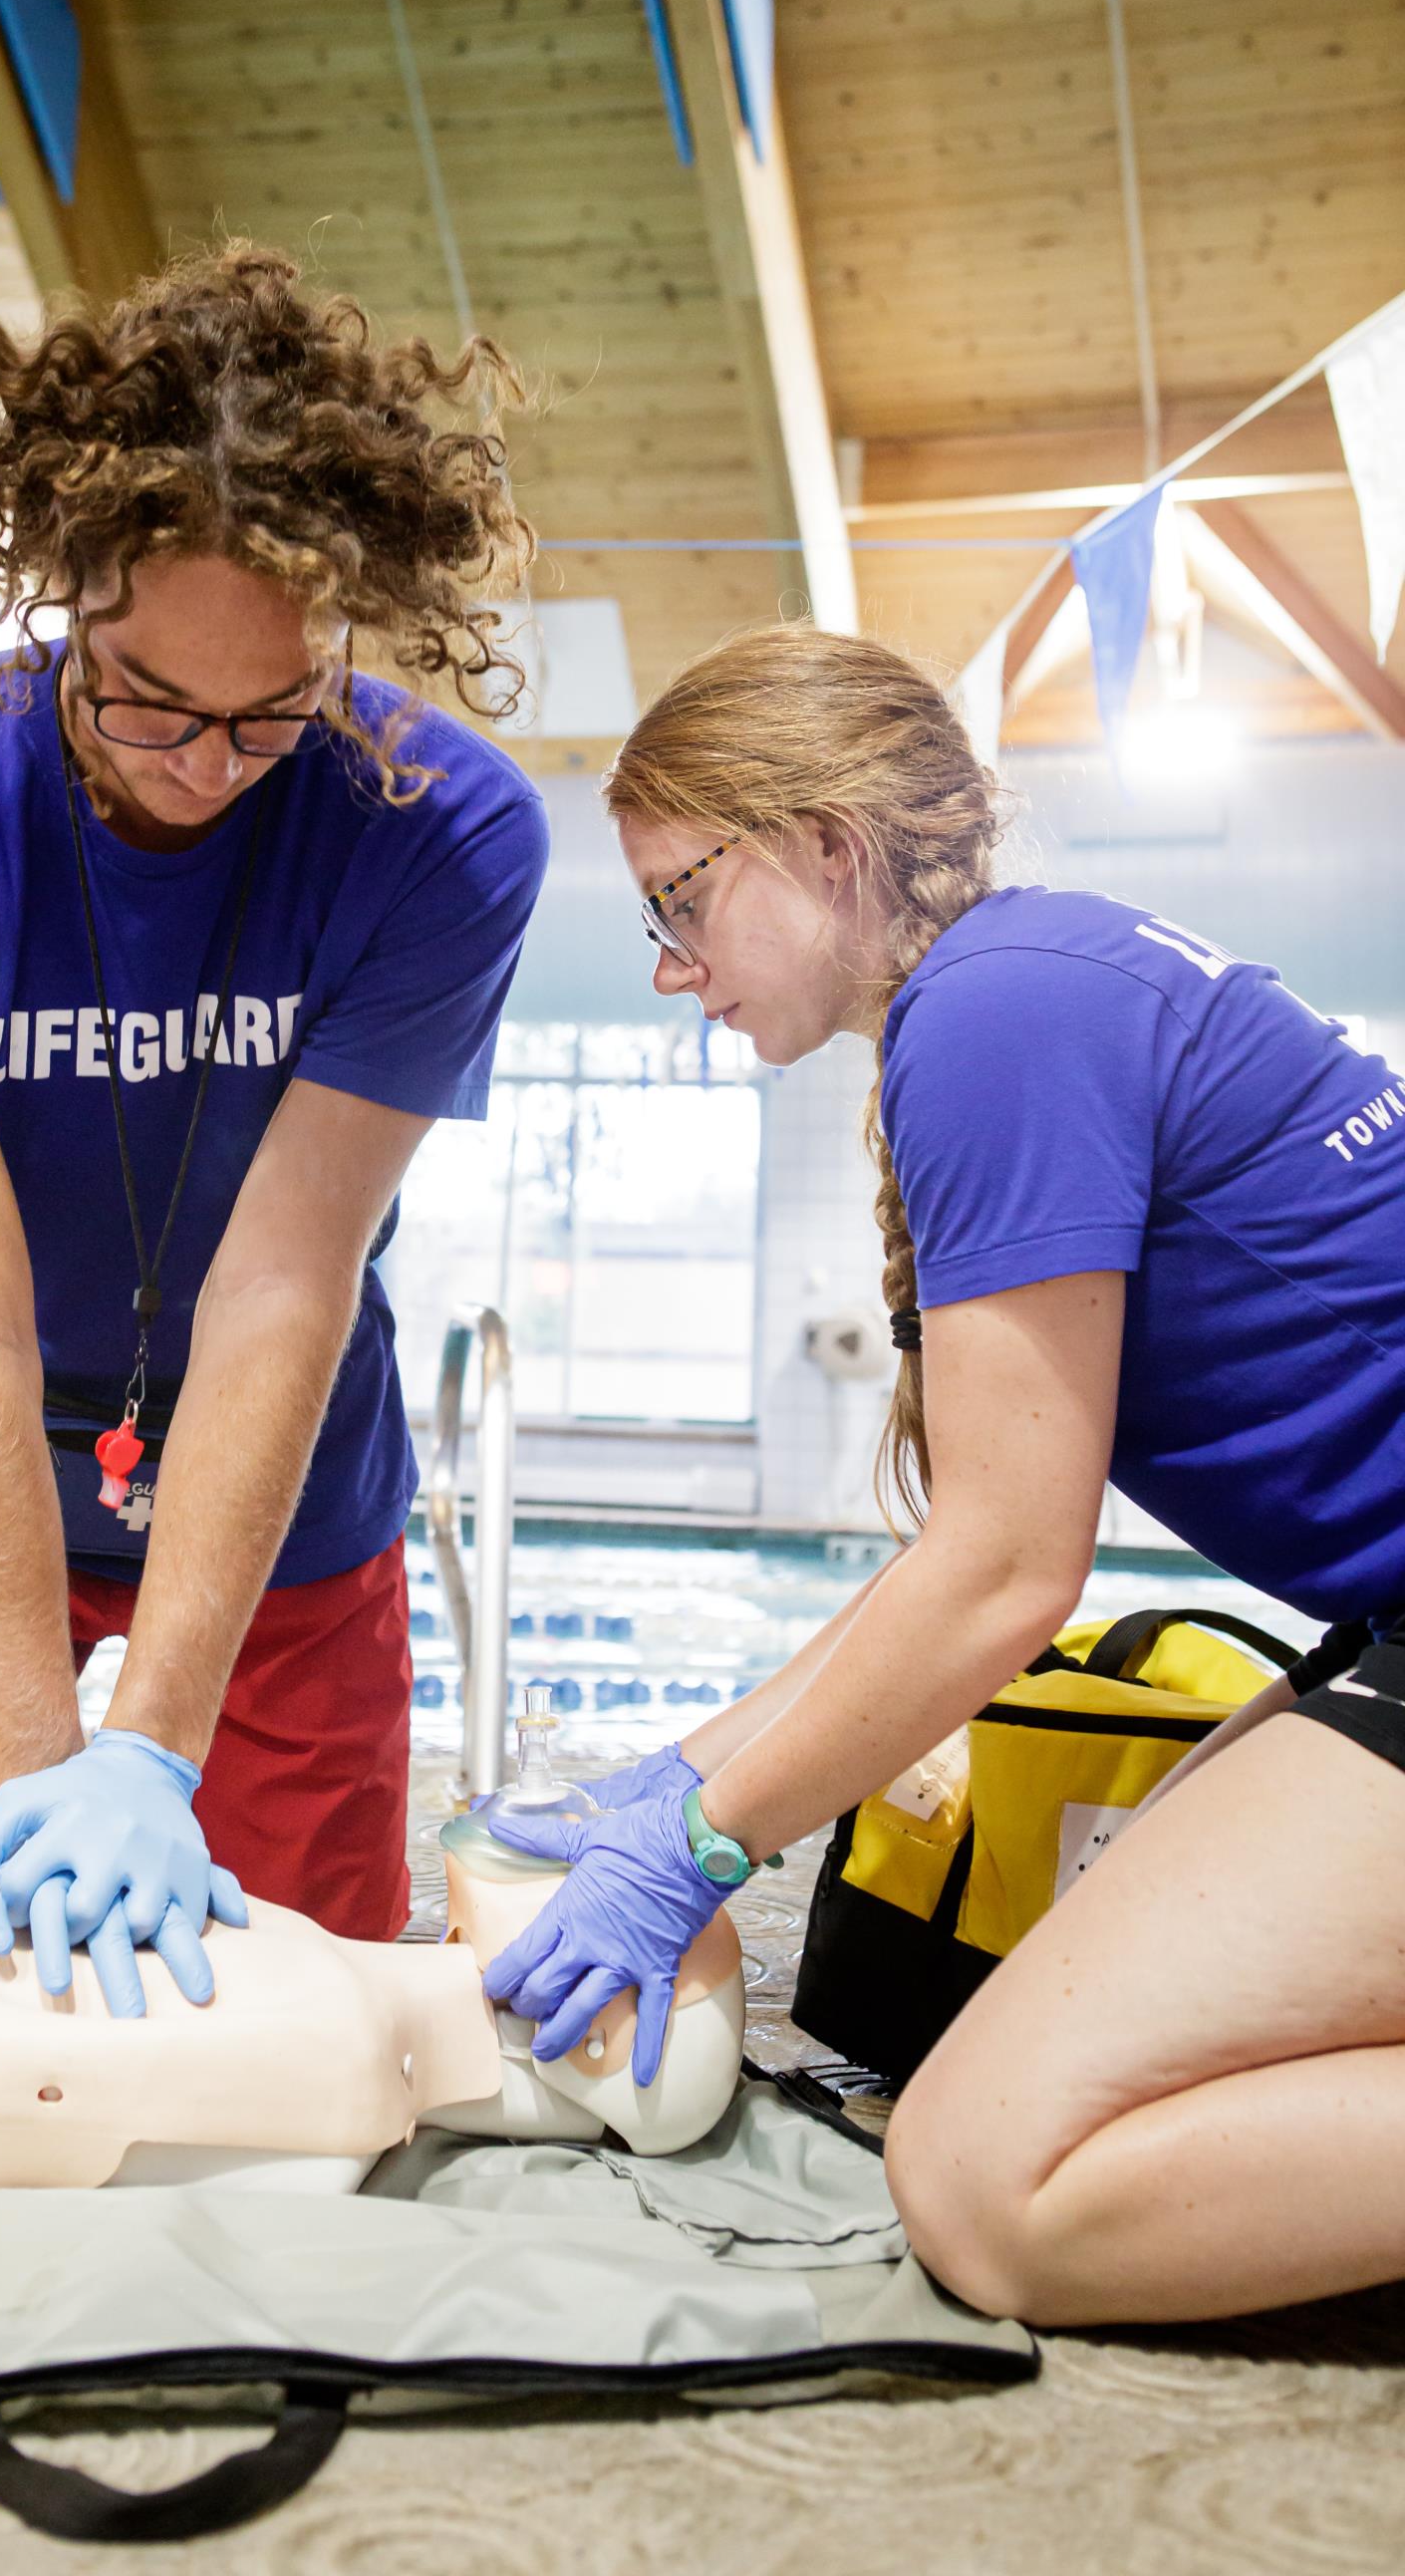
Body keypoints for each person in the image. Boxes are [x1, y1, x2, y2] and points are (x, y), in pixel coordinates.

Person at [482, 621, 1405, 2327]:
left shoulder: (995, 1012)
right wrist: (670, 1774)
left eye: (682, 897)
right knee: (1103, 1965)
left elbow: (1005, 1573)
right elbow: (962, 1565)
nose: (674, 963)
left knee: (991, 2181)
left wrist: (701, 1844)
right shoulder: (1030, 979)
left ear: (823, 849)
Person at [0, 243, 549, 2021]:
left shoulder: (442, 831)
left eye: (274, 712)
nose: (203, 766)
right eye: (142, 700)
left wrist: (152, 1755)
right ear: (61, 592)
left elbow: (286, 1279)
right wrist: (50, 1773)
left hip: (284, 1512)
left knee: (301, 2033)